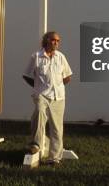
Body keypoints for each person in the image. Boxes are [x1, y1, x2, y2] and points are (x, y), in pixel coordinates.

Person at [23, 31, 72, 164]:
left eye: (58, 41)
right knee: (39, 113)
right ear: (46, 40)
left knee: (57, 128)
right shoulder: (36, 57)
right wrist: (38, 86)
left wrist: (58, 85)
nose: (56, 43)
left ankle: (54, 158)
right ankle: (36, 144)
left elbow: (67, 76)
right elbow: (26, 75)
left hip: (58, 97)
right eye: (53, 40)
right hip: (42, 94)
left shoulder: (61, 57)